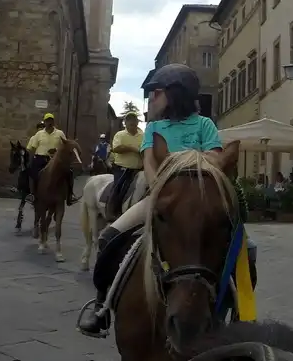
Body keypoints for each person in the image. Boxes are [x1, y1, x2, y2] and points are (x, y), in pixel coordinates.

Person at [78, 63, 229, 336]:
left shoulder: (204, 125)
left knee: (244, 248)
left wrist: (178, 165)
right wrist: (162, 186)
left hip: (196, 201)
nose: (152, 99)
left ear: (176, 93)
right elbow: (149, 162)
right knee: (108, 238)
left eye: (157, 93)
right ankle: (101, 306)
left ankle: (237, 309)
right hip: (160, 197)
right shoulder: (154, 127)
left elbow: (216, 159)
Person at [25, 112, 77, 207]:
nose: (49, 122)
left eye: (51, 120)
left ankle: (70, 195)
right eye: (47, 120)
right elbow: (32, 148)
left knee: (69, 172)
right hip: (41, 158)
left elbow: (65, 146)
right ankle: (32, 194)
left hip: (55, 159)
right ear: (44, 122)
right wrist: (33, 159)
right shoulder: (39, 134)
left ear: (53, 122)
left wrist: (56, 150)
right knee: (32, 171)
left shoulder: (60, 133)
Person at [106, 111, 144, 217]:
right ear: (125, 123)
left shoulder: (143, 136)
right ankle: (112, 211)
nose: (132, 123)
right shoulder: (120, 135)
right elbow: (116, 148)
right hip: (122, 168)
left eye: (134, 121)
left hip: (138, 168)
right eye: (130, 121)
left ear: (137, 122)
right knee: (119, 185)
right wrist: (133, 149)